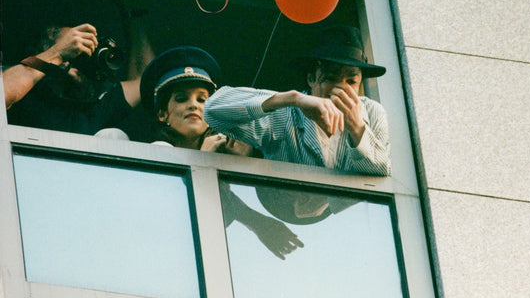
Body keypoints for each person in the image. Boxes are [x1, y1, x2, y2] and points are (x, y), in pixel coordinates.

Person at [139, 45, 304, 259]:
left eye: (202, 100)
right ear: (162, 114)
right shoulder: (158, 151)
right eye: (181, 98)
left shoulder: (220, 148)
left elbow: (220, 211)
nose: (193, 105)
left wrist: (239, 164)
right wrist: (204, 160)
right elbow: (179, 210)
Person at [204, 25, 391, 176]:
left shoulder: (372, 112)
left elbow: (382, 172)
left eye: (351, 81)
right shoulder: (286, 113)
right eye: (331, 78)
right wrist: (293, 98)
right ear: (311, 79)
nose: (341, 89)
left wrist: (357, 128)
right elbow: (212, 110)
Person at [3, 0, 155, 136]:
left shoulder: (97, 104)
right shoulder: (25, 91)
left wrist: (129, 11)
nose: (79, 55)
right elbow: (3, 93)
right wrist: (58, 53)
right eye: (72, 49)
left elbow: (145, 80)